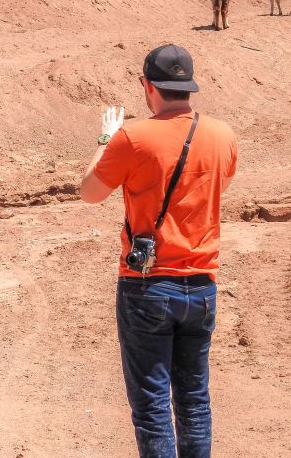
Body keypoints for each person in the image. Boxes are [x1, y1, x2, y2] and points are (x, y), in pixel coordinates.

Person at [79, 44, 237, 458]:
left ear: (148, 86)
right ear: (188, 87)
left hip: (147, 287)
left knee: (151, 407)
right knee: (194, 400)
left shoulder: (133, 136)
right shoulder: (223, 135)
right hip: (202, 285)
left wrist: (104, 139)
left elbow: (89, 193)